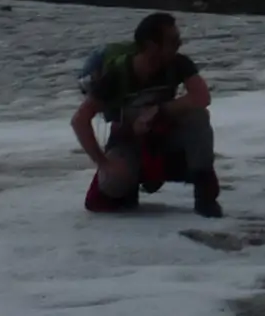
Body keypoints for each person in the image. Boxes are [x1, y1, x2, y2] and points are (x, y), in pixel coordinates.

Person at [70, 12, 222, 217]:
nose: (180, 44)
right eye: (173, 40)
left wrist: (159, 111)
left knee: (198, 117)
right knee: (113, 186)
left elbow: (202, 97)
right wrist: (103, 164)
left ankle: (205, 196)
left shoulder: (178, 64)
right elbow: (80, 119)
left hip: (163, 138)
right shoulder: (117, 75)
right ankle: (129, 186)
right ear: (151, 46)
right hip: (128, 142)